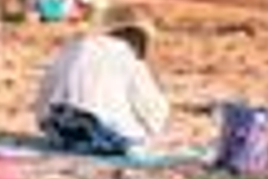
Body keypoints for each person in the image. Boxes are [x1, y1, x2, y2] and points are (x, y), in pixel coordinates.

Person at [34, 13, 171, 155]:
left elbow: (45, 92)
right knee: (133, 135)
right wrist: (151, 132)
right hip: (100, 131)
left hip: (59, 128)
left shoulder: (76, 46)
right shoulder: (127, 55)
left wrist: (44, 123)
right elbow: (151, 108)